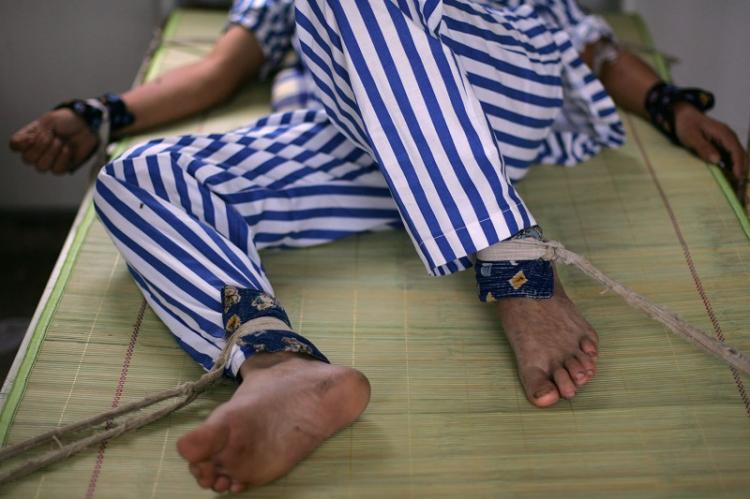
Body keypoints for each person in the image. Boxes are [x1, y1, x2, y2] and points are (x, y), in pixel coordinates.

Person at [9, 0, 749, 494]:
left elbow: (593, 43)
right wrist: (99, 115)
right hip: (354, 143)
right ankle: (276, 364)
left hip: (492, 104)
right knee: (143, 177)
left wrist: (669, 103)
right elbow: (217, 71)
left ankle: (511, 261)